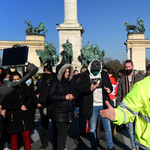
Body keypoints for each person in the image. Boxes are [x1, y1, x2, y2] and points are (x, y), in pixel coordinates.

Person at [100, 75, 150, 150]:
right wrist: (117, 114)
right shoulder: (142, 86)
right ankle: (133, 147)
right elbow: (127, 110)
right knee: (131, 130)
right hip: (147, 143)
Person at [76, 59, 116, 150]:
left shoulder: (104, 74)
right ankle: (94, 146)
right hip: (92, 105)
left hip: (103, 104)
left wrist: (109, 90)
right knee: (92, 128)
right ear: (90, 67)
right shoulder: (85, 76)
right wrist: (89, 89)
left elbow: (110, 86)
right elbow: (79, 89)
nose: (95, 72)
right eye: (94, 70)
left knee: (107, 127)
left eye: (97, 70)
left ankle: (111, 146)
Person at [116, 60, 144, 150]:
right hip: (128, 107)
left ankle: (140, 146)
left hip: (139, 107)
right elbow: (119, 93)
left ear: (133, 66)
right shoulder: (123, 78)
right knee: (131, 129)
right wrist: (118, 106)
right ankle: (133, 147)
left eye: (129, 67)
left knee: (139, 129)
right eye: (126, 67)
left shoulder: (141, 77)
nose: (127, 68)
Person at [2, 71, 34, 150]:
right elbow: (5, 104)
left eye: (18, 79)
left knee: (26, 137)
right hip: (13, 116)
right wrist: (19, 106)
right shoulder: (7, 89)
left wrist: (26, 105)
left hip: (25, 115)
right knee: (14, 137)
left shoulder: (24, 86)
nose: (16, 81)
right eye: (14, 79)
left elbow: (30, 98)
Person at [48, 63, 77, 150]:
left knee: (63, 133)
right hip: (59, 112)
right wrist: (65, 97)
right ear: (61, 72)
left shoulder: (69, 82)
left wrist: (73, 96)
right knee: (62, 134)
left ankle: (60, 147)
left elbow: (75, 92)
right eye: (66, 72)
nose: (68, 73)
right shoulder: (54, 82)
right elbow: (51, 96)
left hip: (69, 111)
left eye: (69, 71)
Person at [34, 64, 55, 150]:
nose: (46, 72)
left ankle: (57, 143)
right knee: (44, 126)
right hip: (43, 106)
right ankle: (45, 143)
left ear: (51, 71)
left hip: (53, 106)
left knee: (56, 125)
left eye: (48, 71)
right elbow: (35, 92)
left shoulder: (55, 80)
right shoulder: (40, 81)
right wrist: (37, 103)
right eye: (45, 71)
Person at [107, 68, 118, 135]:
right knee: (113, 114)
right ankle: (114, 128)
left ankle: (110, 129)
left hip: (109, 97)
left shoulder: (109, 79)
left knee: (108, 114)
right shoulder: (115, 79)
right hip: (114, 97)